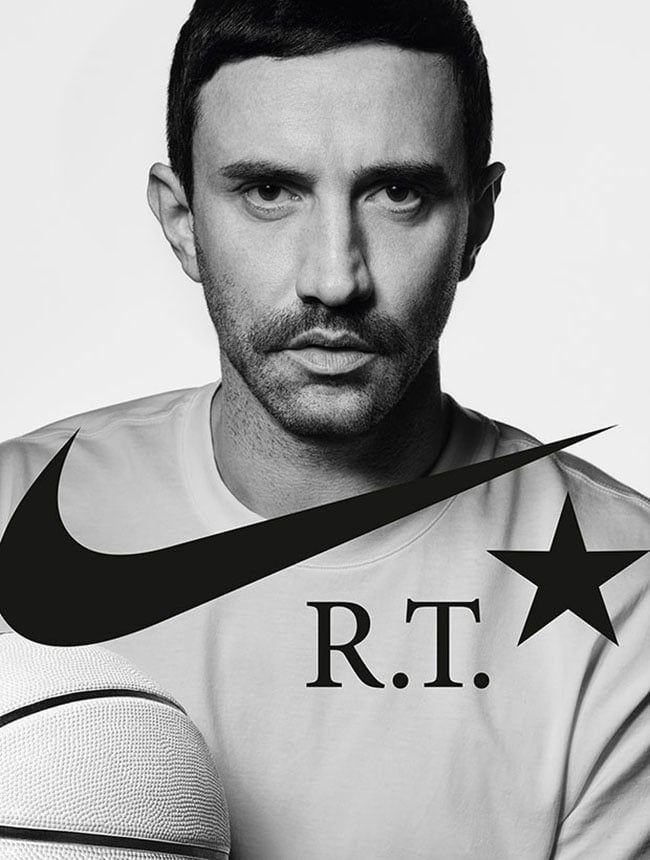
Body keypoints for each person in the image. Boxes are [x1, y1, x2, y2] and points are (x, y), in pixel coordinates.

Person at [0, 1, 648, 857]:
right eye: (270, 192)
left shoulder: (630, 597)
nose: (334, 279)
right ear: (182, 221)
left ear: (479, 219)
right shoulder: (14, 514)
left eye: (399, 193)